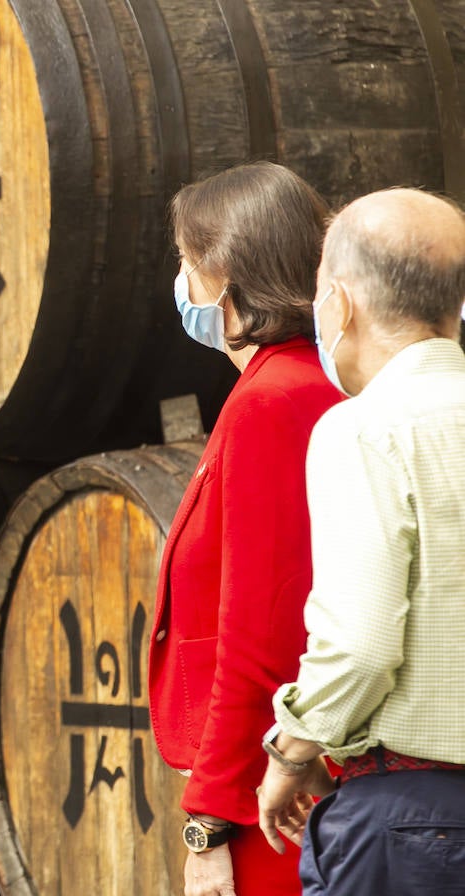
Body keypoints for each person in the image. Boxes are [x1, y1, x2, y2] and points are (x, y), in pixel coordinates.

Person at [256, 188, 465, 896]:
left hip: (416, 823)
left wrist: (291, 752)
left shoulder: (366, 428)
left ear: (339, 304)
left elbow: (363, 646)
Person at [147, 161, 343, 896]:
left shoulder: (272, 401)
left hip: (270, 800)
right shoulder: (303, 383)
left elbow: (263, 635)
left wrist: (209, 821)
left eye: (185, 263)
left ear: (225, 278)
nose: (180, 282)